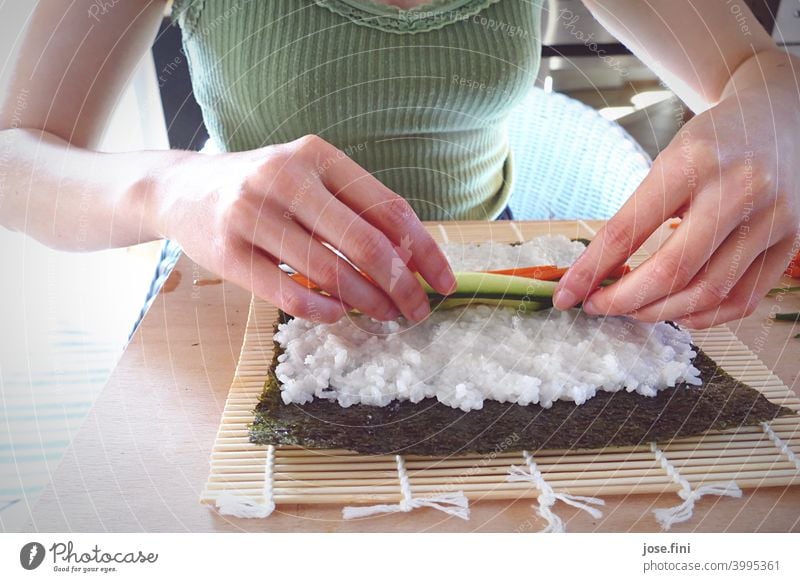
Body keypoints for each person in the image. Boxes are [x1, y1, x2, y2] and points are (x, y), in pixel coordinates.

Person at [1, 0, 797, 329]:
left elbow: (761, 76)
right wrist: (166, 185)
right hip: (244, 292)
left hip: (484, 283)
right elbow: (15, 158)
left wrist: (778, 123)